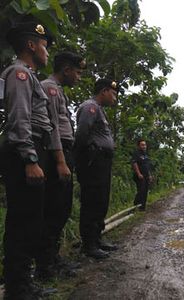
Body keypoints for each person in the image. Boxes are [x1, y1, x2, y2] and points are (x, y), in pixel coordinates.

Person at [1, 22, 54, 299]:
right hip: (25, 152)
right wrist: (30, 158)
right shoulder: (19, 73)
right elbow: (19, 119)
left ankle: (23, 282)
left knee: (31, 218)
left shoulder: (29, 75)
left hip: (31, 149)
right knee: (22, 220)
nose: (47, 51)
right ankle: (17, 288)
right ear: (31, 45)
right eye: (44, 45)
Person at [35, 52, 85, 280]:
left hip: (64, 151)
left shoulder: (56, 89)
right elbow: (53, 127)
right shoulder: (50, 88)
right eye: (77, 72)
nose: (79, 77)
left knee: (62, 208)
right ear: (66, 70)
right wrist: (61, 161)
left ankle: (52, 260)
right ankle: (45, 267)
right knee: (54, 209)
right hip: (58, 154)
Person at [75, 78, 118, 259]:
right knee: (92, 201)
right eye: (113, 93)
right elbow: (82, 134)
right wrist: (85, 159)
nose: (115, 97)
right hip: (93, 161)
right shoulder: (89, 107)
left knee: (101, 201)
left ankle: (97, 238)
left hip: (102, 162)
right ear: (104, 91)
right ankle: (89, 244)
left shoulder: (99, 110)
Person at [132, 139, 153, 211]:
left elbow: (148, 166)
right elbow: (134, 164)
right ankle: (134, 207)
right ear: (138, 146)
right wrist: (138, 173)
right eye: (142, 145)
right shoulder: (136, 153)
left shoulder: (146, 155)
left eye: (145, 145)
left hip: (146, 175)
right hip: (140, 176)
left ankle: (142, 208)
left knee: (145, 191)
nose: (144, 146)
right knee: (141, 191)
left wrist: (150, 175)